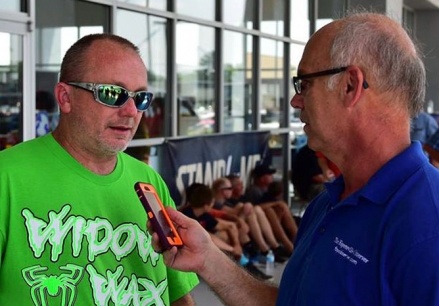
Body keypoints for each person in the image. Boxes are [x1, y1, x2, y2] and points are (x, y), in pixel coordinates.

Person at [149, 11, 439, 306]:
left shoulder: (433, 232)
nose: (296, 101)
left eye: (305, 83)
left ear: (350, 85)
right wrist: (208, 259)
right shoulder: (327, 204)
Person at [0, 33, 198, 305]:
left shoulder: (148, 181)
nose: (131, 111)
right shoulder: (7, 178)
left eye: (140, 97)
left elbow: (178, 296)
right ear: (65, 97)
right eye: (112, 94)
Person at [212, 177, 288, 263]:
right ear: (221, 190)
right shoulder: (216, 203)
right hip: (228, 227)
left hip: (236, 225)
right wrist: (241, 209)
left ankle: (271, 247)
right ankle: (268, 249)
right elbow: (227, 215)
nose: (232, 190)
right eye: (229, 188)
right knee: (252, 211)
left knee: (256, 210)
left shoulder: (228, 201)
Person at [245, 163, 298, 254]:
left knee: (281, 207)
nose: (272, 176)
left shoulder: (267, 189)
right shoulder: (255, 191)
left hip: (274, 224)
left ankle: (296, 238)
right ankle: (288, 245)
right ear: (261, 178)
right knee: (271, 210)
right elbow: (256, 208)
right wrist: (276, 203)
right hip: (263, 225)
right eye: (269, 175)